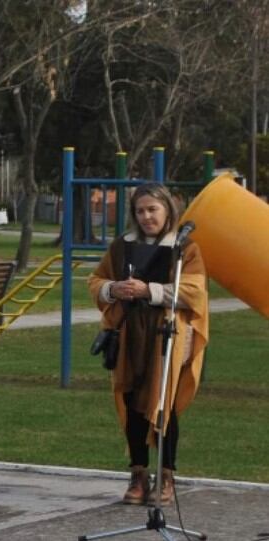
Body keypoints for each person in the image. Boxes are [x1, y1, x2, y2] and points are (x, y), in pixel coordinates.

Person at [88, 182, 209, 506]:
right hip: (129, 333)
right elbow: (96, 281)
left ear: (167, 209)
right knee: (130, 400)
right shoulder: (121, 246)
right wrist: (114, 289)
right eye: (140, 211)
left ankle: (166, 476)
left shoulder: (185, 248)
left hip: (166, 333)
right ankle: (138, 474)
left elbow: (194, 291)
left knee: (163, 403)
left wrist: (149, 291)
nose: (146, 216)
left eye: (152, 209)